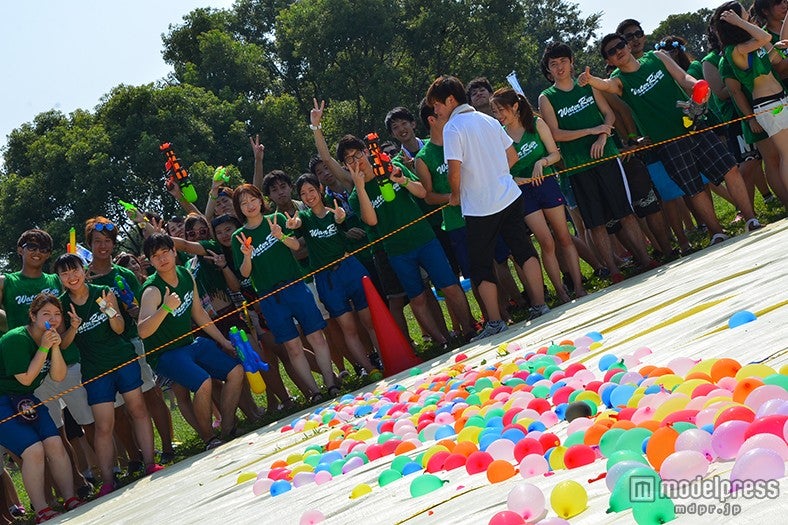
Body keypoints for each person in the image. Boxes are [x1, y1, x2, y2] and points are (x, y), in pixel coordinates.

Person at [579, 32, 762, 243]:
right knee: (694, 188)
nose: (618, 51)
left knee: (730, 169)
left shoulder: (656, 56)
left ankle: (751, 219)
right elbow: (606, 85)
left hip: (694, 126)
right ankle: (717, 232)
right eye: (611, 51)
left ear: (628, 46)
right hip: (668, 143)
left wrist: (697, 85)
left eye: (620, 45)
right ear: (609, 61)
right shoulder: (619, 80)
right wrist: (590, 80)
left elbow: (683, 78)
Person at [426, 75, 549, 341]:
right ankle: (540, 304)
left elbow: (454, 170)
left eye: (437, 104)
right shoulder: (488, 119)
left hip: (480, 206)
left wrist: (455, 195)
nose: (435, 110)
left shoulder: (452, 128)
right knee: (523, 248)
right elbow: (512, 155)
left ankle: (495, 321)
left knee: (481, 265)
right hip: (509, 195)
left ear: (450, 100)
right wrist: (496, 174)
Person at [340, 133, 477, 343]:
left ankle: (469, 329)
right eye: (349, 159)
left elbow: (423, 193)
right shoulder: (354, 197)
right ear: (345, 165)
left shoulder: (392, 167)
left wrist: (402, 180)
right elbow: (371, 221)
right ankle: (442, 341)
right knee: (417, 298)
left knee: (449, 285)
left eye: (357, 154)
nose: (356, 161)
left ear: (366, 152)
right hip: (397, 251)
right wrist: (359, 187)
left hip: (424, 238)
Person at [538, 42, 656, 283]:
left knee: (625, 211)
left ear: (571, 62)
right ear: (548, 70)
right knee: (595, 222)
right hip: (579, 165)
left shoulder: (587, 84)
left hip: (607, 157)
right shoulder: (547, 97)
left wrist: (603, 136)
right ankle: (613, 271)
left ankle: (646, 259)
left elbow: (608, 114)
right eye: (553, 64)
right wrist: (591, 131)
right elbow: (555, 134)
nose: (559, 67)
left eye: (563, 61)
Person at [54, 254, 163, 498]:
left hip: (123, 360)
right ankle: (107, 481)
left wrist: (111, 311)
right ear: (60, 278)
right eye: (65, 273)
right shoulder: (62, 305)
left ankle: (150, 463)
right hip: (94, 371)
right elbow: (63, 344)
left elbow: (120, 327)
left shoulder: (103, 292)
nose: (71, 277)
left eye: (75, 270)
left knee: (138, 410)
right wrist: (73, 327)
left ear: (84, 270)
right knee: (104, 426)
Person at [137, 233, 244, 450]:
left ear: (174, 251)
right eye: (155, 256)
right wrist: (165, 308)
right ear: (150, 261)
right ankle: (209, 439)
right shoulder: (152, 290)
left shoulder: (185, 273)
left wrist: (224, 342)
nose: (162, 258)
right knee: (203, 382)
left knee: (236, 371)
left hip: (190, 344)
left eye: (165, 252)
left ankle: (227, 427)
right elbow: (143, 331)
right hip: (165, 354)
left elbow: (199, 313)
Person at [231, 184, 337, 402]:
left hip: (295, 286)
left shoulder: (276, 219)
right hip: (270, 297)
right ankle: (314, 392)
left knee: (316, 336)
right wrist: (247, 255)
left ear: (260, 200)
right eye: (244, 203)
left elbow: (296, 246)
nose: (250, 206)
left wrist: (280, 236)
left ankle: (331, 383)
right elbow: (244, 273)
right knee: (292, 346)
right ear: (239, 209)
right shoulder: (238, 237)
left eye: (253, 200)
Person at [83, 217, 175, 465]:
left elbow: (141, 314)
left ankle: (168, 447)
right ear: (89, 244)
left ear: (114, 244)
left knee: (150, 396)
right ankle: (135, 457)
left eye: (108, 241)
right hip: (99, 354)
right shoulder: (82, 279)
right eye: (97, 241)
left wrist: (131, 308)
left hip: (131, 344)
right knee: (117, 409)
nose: (103, 246)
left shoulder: (124, 274)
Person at [490, 87, 587, 300]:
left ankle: (579, 286)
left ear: (515, 106)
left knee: (563, 236)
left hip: (546, 184)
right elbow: (498, 170)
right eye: (495, 112)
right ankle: (560, 291)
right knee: (546, 242)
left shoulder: (536, 123)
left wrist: (542, 162)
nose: (498, 116)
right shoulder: (498, 135)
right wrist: (513, 179)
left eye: (501, 110)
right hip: (523, 193)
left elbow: (555, 154)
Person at [288, 173, 381, 377]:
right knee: (348, 328)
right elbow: (298, 223)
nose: (308, 196)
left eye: (311, 190)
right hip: (327, 279)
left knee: (370, 321)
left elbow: (341, 219)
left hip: (350, 268)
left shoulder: (335, 210)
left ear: (320, 189)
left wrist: (340, 217)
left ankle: (385, 358)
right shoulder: (304, 217)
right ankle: (370, 368)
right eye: (303, 193)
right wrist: (293, 225)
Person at [0, 293, 78, 523]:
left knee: (54, 443)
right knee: (33, 450)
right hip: (3, 400)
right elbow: (25, 378)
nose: (53, 319)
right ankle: (42, 510)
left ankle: (70, 498)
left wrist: (55, 348)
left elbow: (58, 376)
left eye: (57, 314)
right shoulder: (15, 339)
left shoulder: (50, 338)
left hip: (25, 398)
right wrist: (44, 348)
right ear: (33, 316)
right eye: (46, 314)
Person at [714, 2, 788, 205]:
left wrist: (776, 48)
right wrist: (739, 21)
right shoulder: (735, 50)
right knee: (786, 154)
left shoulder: (751, 44)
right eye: (744, 13)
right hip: (769, 105)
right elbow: (765, 37)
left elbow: (775, 59)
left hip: (780, 99)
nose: (749, 14)